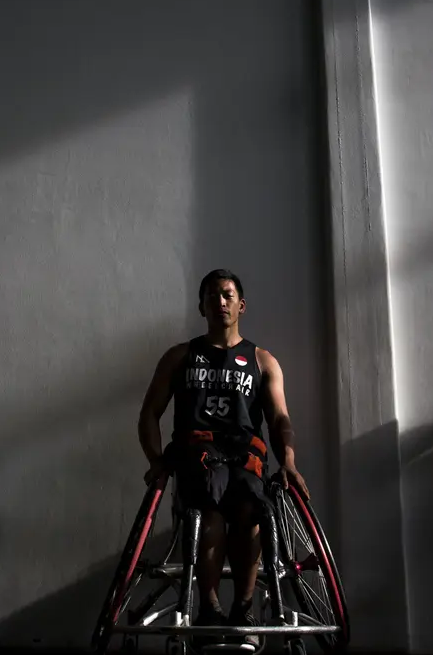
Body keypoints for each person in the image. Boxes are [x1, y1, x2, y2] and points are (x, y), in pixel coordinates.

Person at [138, 269, 309, 648]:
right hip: (197, 453)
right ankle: (210, 608)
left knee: (251, 509)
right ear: (201, 306)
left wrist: (290, 463)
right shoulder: (180, 357)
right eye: (212, 296)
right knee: (210, 512)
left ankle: (244, 608)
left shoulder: (263, 361)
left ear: (241, 305)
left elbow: (280, 418)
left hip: (244, 456)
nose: (220, 302)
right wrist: (155, 459)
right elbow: (149, 413)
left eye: (228, 295)